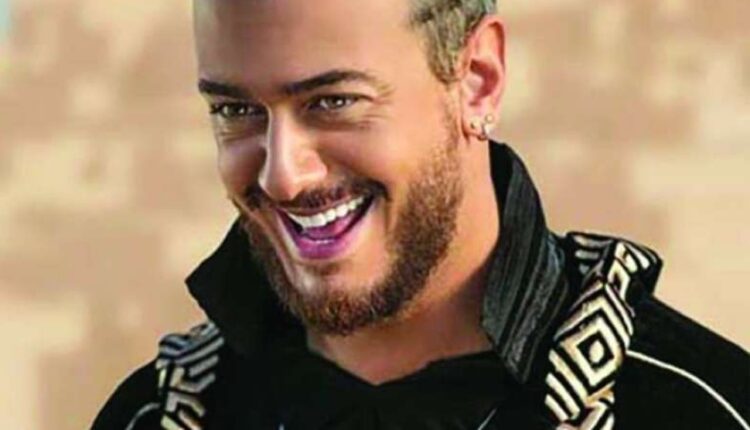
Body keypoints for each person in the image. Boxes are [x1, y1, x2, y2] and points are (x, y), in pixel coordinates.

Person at [93, 0, 749, 428]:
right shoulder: (155, 415)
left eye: (333, 101)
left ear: (478, 80)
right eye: (236, 111)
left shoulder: (697, 411)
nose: (282, 175)